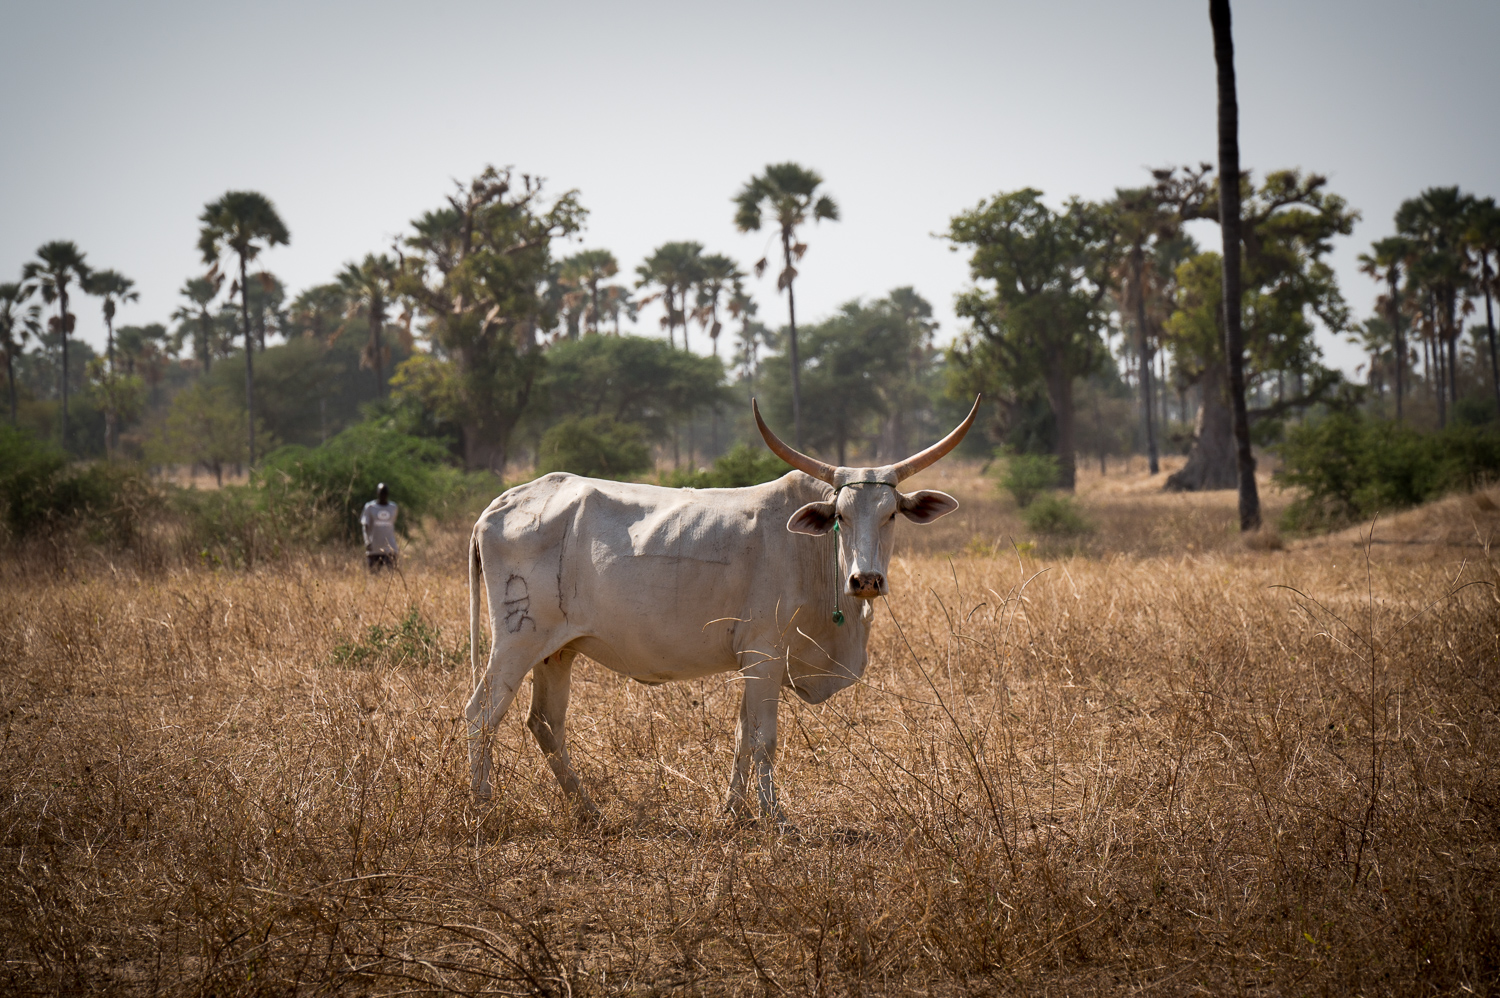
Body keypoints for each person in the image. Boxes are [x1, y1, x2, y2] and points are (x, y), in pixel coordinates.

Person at [361, 483, 399, 572]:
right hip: (374, 548)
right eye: (381, 493)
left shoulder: (393, 507)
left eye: (385, 493)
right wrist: (367, 541)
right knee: (374, 574)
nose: (383, 495)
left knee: (392, 574)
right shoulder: (370, 507)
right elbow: (365, 526)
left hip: (390, 548)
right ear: (377, 493)